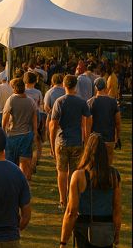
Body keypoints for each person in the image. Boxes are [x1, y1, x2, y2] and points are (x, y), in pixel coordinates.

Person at [59, 133, 121, 248]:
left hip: (84, 229)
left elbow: (71, 212)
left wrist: (63, 241)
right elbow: (117, 209)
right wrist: (116, 235)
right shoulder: (113, 175)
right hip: (106, 231)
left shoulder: (79, 176)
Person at [50, 74, 92, 208]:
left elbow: (53, 125)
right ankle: (73, 198)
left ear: (64, 85)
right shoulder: (81, 102)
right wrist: (86, 137)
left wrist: (52, 144)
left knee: (61, 172)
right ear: (75, 86)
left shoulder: (59, 101)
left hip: (62, 141)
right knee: (75, 172)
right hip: (77, 141)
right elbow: (88, 118)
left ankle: (63, 200)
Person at [2, 78, 37, 179]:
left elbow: (5, 117)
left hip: (12, 134)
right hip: (26, 134)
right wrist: (34, 131)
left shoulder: (11, 99)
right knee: (24, 160)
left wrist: (4, 129)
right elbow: (34, 117)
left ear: (14, 88)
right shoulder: (30, 101)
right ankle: (22, 181)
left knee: (10, 162)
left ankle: (12, 180)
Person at [87, 78, 121, 162]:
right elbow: (118, 122)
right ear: (105, 87)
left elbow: (88, 124)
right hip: (109, 138)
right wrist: (117, 137)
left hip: (95, 139)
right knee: (108, 166)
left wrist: (87, 139)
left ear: (95, 88)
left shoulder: (90, 102)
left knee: (95, 165)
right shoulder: (113, 102)